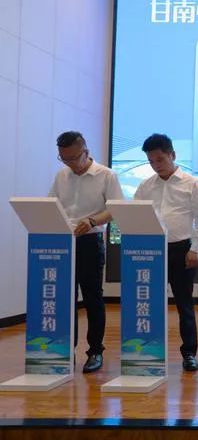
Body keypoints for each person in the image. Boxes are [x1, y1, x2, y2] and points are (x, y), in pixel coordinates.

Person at [49, 131, 123, 373]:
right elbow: (51, 205)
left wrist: (92, 221)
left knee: (92, 298)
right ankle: (65, 351)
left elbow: (115, 209)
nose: (69, 163)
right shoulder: (61, 176)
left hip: (90, 241)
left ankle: (95, 351)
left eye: (73, 158)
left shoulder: (106, 175)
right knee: (64, 297)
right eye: (64, 158)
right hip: (63, 242)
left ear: (86, 152)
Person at [134, 134, 198, 372]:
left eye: (160, 159)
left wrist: (195, 248)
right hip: (152, 250)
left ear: (172, 155)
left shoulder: (191, 183)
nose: (156, 165)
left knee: (184, 305)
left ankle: (189, 353)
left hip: (182, 249)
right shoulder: (145, 186)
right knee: (149, 303)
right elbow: (134, 215)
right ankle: (150, 350)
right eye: (151, 161)